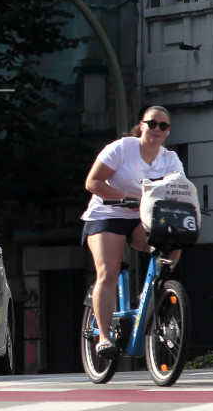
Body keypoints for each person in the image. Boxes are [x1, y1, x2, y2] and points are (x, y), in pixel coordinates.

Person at [81, 105, 184, 358]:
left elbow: (178, 189)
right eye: (152, 123)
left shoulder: (170, 159)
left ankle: (153, 295)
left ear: (168, 131)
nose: (156, 129)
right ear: (142, 125)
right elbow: (92, 182)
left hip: (143, 218)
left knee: (173, 243)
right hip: (108, 214)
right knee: (108, 272)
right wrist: (127, 197)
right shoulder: (122, 148)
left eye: (163, 126)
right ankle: (104, 338)